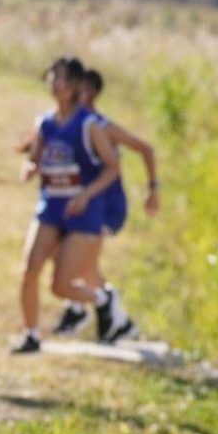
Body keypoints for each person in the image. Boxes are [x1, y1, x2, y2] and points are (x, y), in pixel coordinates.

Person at [12, 57, 129, 355]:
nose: (55, 82)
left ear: (76, 85)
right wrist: (30, 168)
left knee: (61, 286)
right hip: (50, 207)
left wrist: (86, 195)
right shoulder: (45, 123)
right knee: (29, 270)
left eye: (62, 77)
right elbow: (37, 157)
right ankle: (31, 335)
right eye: (52, 76)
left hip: (82, 212)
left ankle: (103, 300)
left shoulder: (89, 125)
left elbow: (112, 168)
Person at [51, 67, 156, 341]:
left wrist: (152, 189)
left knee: (81, 266)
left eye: (79, 88)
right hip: (84, 206)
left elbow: (146, 149)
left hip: (105, 207)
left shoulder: (99, 125)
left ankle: (98, 311)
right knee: (77, 264)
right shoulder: (70, 122)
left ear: (92, 93)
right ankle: (113, 319)